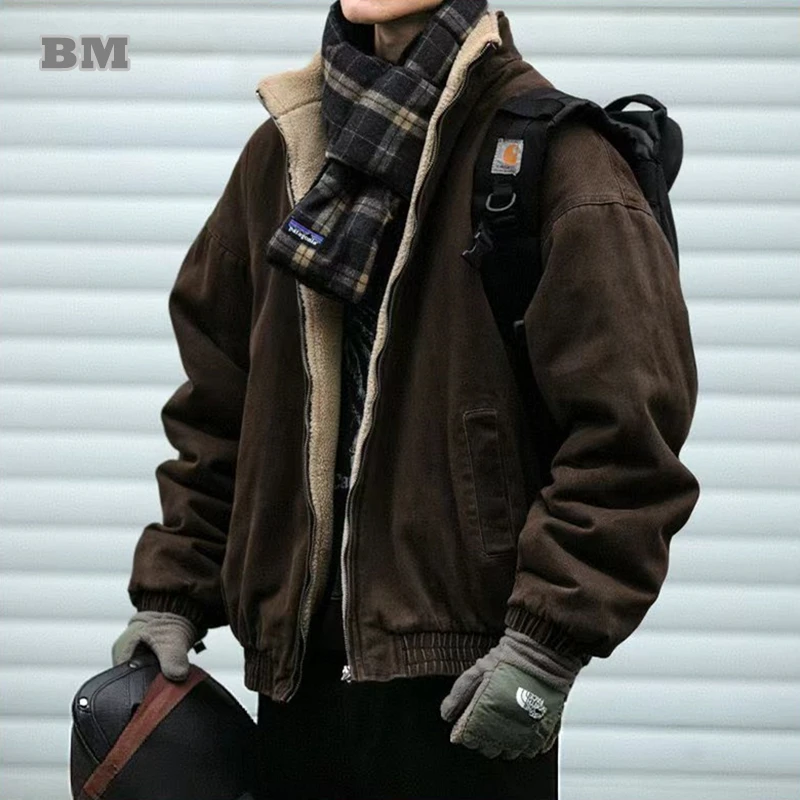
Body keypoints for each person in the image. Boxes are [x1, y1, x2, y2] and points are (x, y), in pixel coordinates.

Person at [112, 0, 700, 797]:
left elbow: (629, 438)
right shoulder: (283, 154)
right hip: (294, 686)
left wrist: (545, 645)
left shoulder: (558, 160)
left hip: (467, 694)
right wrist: (173, 590)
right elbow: (221, 406)